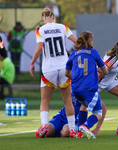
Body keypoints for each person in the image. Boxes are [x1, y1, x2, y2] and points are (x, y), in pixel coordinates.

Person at [30, 7, 77, 138]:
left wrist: (33, 62)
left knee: (45, 100)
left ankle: (44, 125)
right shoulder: (63, 27)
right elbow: (76, 41)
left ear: (42, 18)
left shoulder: (40, 30)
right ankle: (72, 129)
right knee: (67, 100)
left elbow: (39, 48)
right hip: (64, 68)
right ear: (54, 17)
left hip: (49, 68)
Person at [65, 31, 108, 139]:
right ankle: (85, 126)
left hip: (75, 89)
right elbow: (105, 71)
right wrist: (99, 69)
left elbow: (66, 73)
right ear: (90, 41)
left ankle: (79, 133)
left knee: (83, 105)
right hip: (89, 88)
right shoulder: (93, 52)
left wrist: (77, 78)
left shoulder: (74, 53)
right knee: (98, 112)